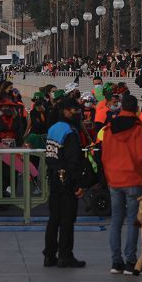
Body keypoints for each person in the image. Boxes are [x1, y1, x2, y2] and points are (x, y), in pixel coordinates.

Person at [101, 94, 142, 275]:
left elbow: (104, 156)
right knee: (132, 221)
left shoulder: (109, 127)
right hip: (132, 178)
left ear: (121, 107)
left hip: (114, 179)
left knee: (115, 221)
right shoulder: (138, 128)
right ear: (136, 108)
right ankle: (131, 261)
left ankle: (116, 262)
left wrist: (109, 175)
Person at [43, 97, 86, 268]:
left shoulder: (53, 129)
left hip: (54, 176)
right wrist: (79, 183)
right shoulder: (69, 131)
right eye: (75, 110)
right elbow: (74, 160)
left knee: (54, 218)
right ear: (67, 111)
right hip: (67, 179)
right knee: (67, 219)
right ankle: (65, 255)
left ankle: (49, 254)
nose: (77, 113)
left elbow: (50, 155)